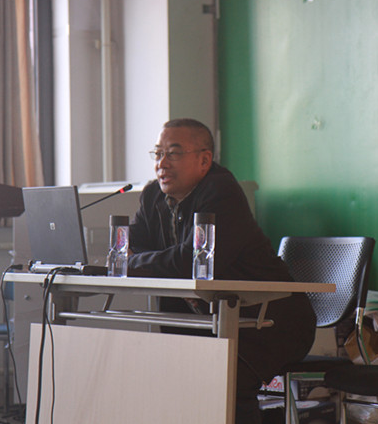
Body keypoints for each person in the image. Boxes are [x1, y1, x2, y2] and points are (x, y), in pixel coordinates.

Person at [128, 118, 317, 423]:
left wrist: (137, 263)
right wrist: (137, 261)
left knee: (224, 379)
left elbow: (193, 261)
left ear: (204, 160)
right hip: (211, 323)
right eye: (158, 153)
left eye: (173, 153)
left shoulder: (221, 192)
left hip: (270, 324)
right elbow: (129, 249)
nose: (162, 163)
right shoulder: (153, 196)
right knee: (171, 375)